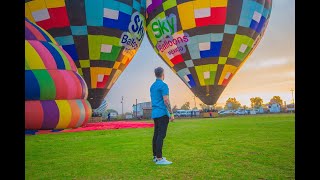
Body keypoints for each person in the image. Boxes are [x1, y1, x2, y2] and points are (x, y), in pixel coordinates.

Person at [150, 67, 174, 165]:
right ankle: (159, 159)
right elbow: (166, 100)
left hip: (155, 113)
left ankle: (155, 156)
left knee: (156, 135)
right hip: (162, 113)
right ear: (163, 74)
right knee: (161, 135)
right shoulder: (164, 85)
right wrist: (171, 113)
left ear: (155, 74)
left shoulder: (152, 86)